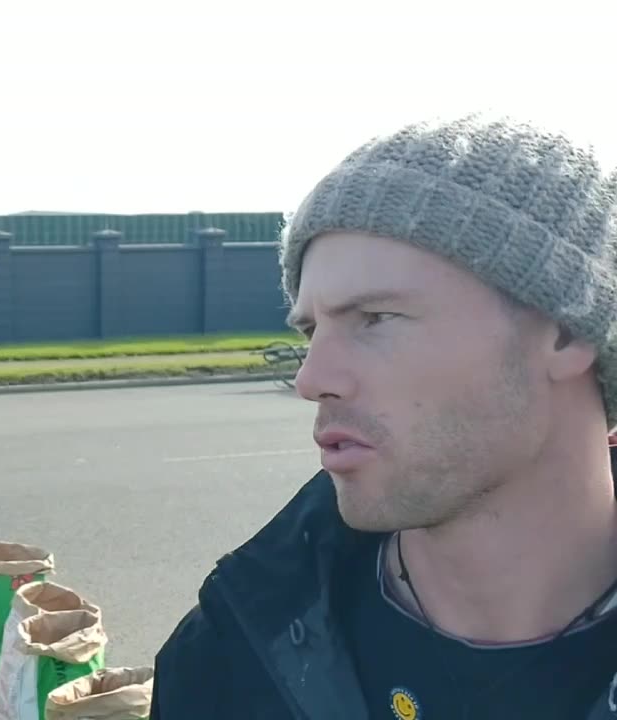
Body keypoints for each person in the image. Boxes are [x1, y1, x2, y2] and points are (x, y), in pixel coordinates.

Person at [152, 113, 617, 719]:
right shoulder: (230, 659)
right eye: (312, 331)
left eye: (375, 318)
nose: (312, 380)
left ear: (562, 332)